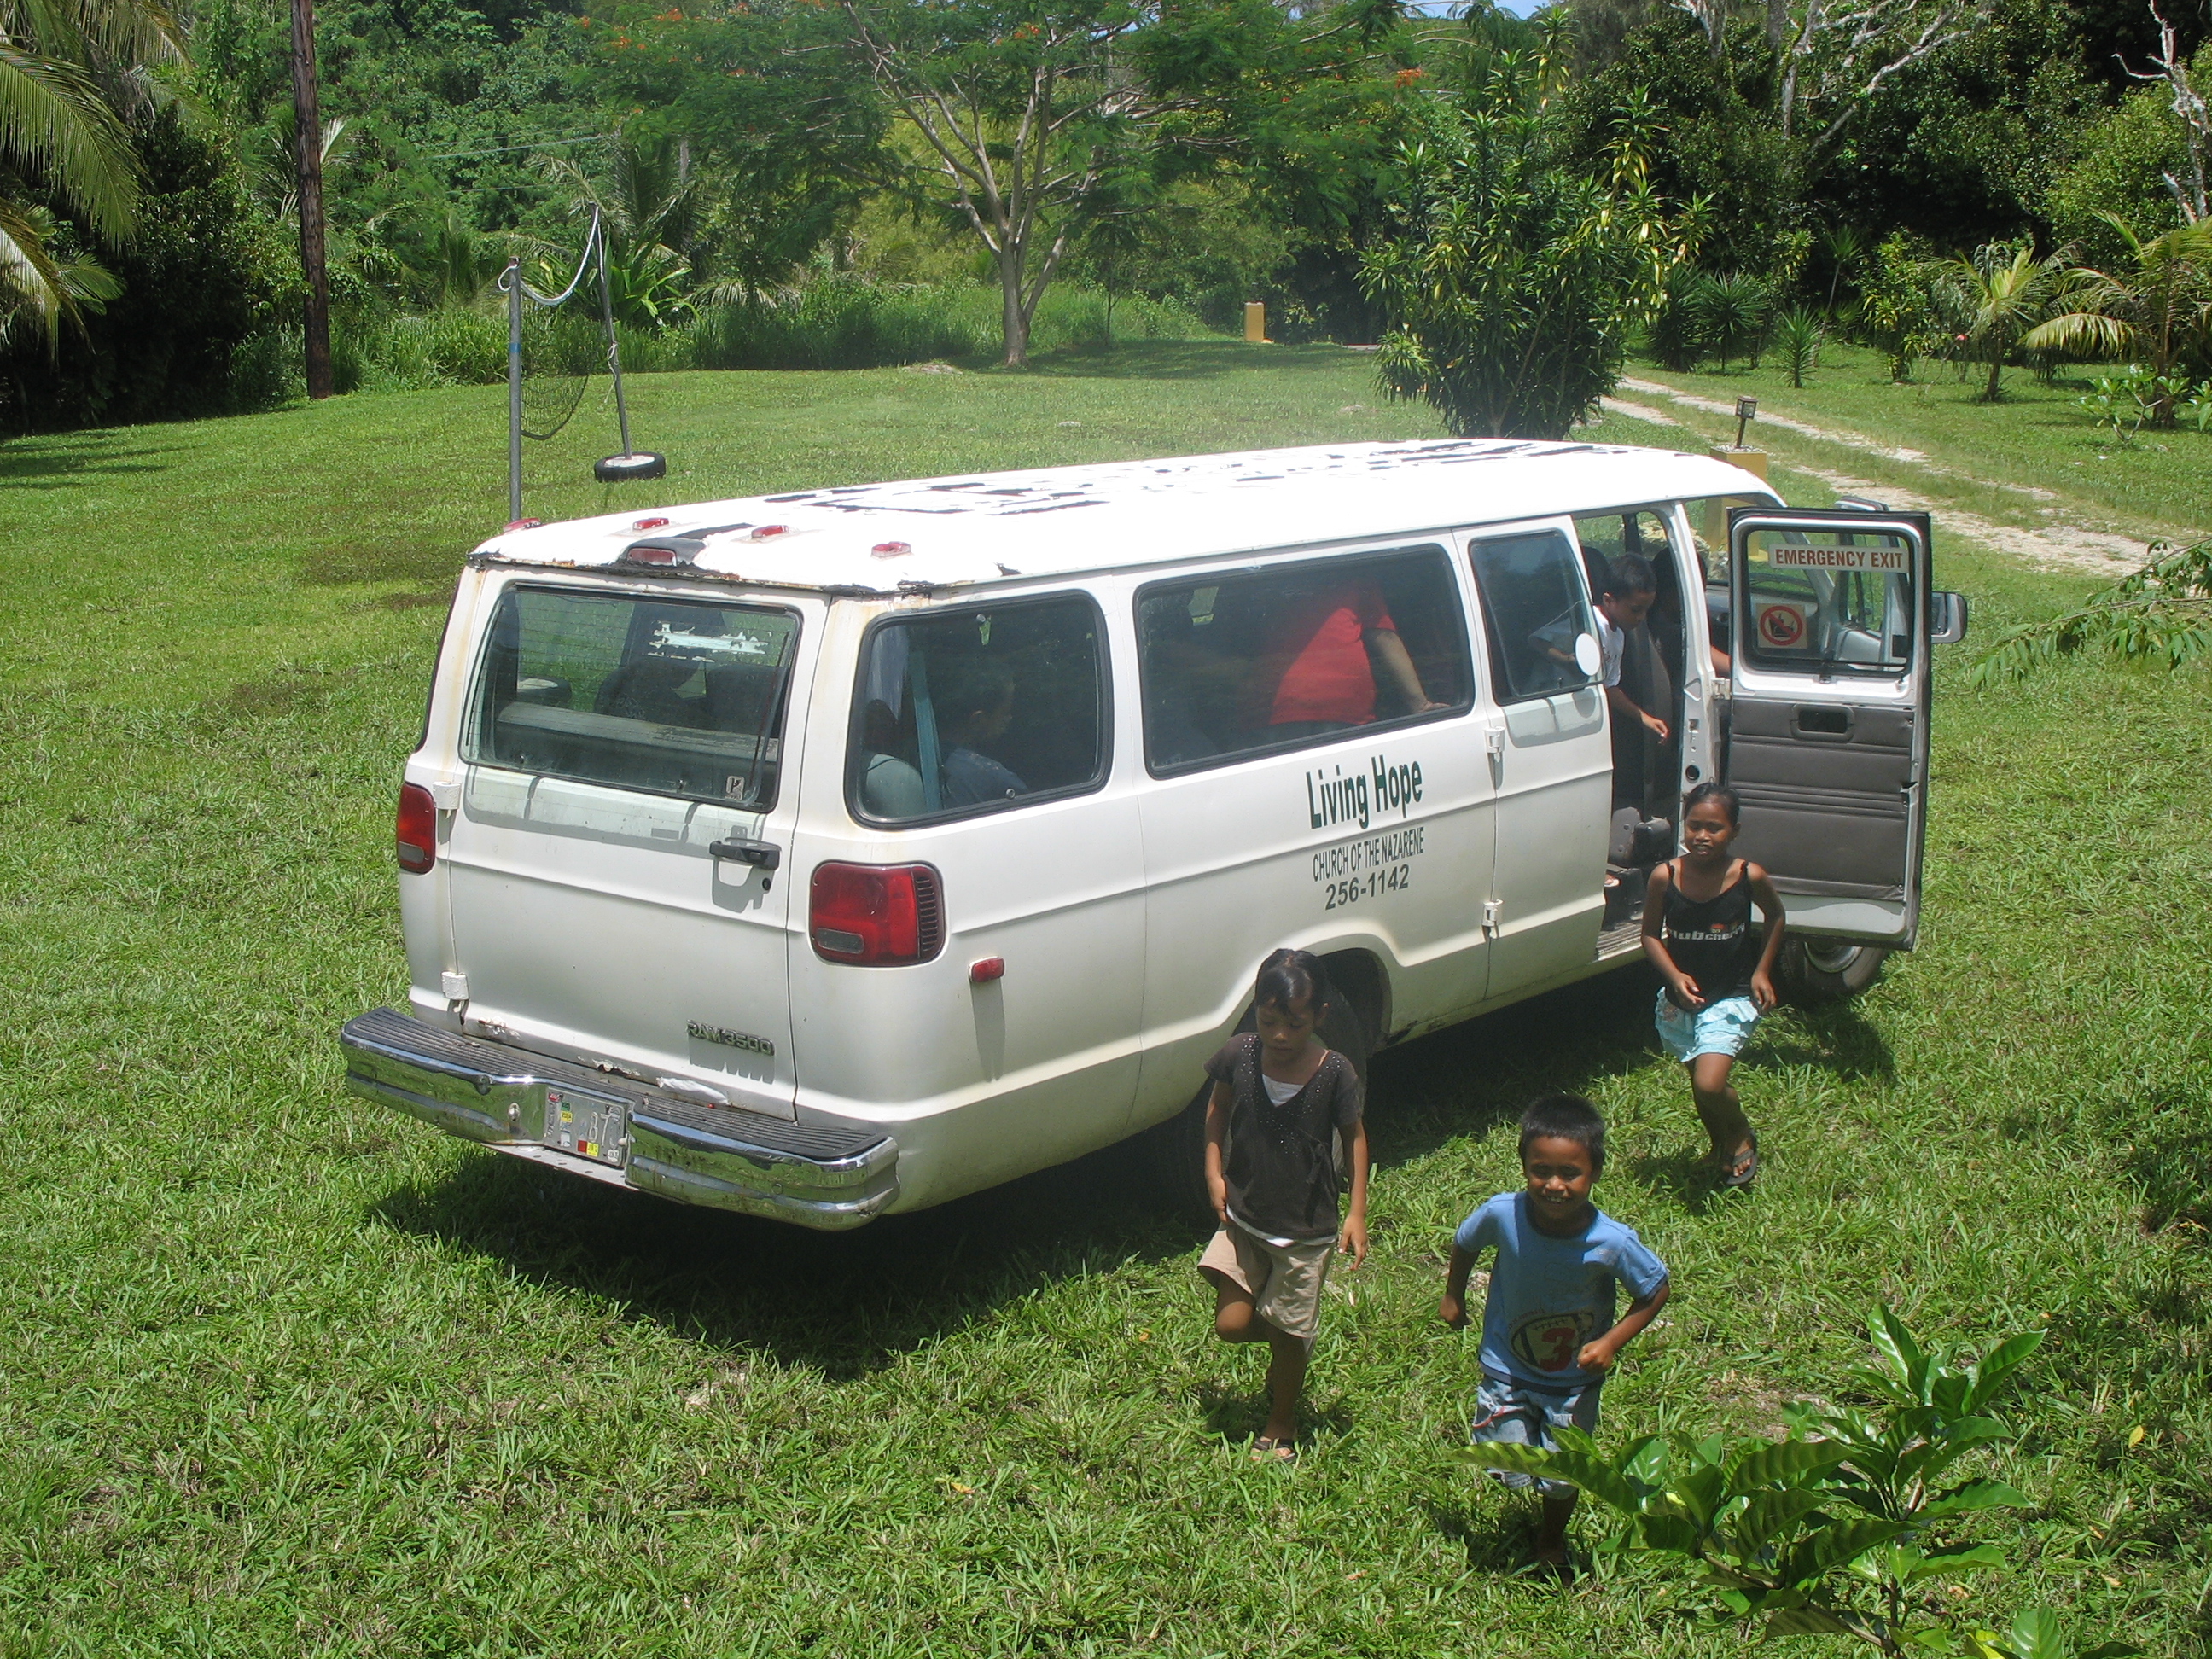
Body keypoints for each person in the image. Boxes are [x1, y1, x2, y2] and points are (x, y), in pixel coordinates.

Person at [1440, 1094, 1670, 1576]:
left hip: (1572, 1379)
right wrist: (1454, 1295)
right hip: (1506, 1364)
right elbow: (1465, 1242)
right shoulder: (1503, 1214)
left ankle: (1551, 1539)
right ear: (1524, 1165)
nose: (1554, 1185)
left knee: (1564, 1474)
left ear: (1595, 1172)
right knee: (1509, 1464)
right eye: (1540, 1170)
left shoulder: (1611, 1241)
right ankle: (1526, 1478)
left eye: (1570, 1173)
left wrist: (1611, 1342)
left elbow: (1654, 1290)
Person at [1200, 949, 1370, 1463]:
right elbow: (1217, 1109)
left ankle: (1281, 1422)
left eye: (1294, 1024)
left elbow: (1355, 1138)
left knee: (1288, 1330)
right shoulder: (1239, 1054)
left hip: (1304, 1229)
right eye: (1268, 1021)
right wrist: (1213, 1171)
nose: (1279, 1035)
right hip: (1244, 1218)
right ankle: (1288, 1344)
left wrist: (1357, 1210)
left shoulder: (1334, 1072)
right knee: (1232, 1325)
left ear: (1320, 1015)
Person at [1642, 781, 1786, 1187]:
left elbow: (1776, 916)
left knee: (1710, 1083)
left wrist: (1761, 971)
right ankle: (1719, 1144)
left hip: (1730, 995)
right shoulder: (1665, 876)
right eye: (1694, 826)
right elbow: (1649, 935)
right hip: (1683, 1001)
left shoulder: (1748, 876)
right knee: (1700, 1085)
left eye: (1714, 828)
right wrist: (1674, 976)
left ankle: (1739, 1131)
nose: (1702, 836)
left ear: (1734, 831)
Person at [1237, 574, 1445, 742]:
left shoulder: (1270, 580)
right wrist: (1419, 705)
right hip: (1342, 702)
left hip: (1275, 704)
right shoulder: (1354, 576)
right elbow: (1384, 638)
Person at [1596, 555, 1670, 748]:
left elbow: (1609, 687)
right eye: (1636, 610)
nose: (1641, 617)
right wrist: (1567, 660)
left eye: (1646, 610)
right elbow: (1538, 641)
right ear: (1608, 600)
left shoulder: (1618, 635)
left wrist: (1643, 717)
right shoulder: (1589, 625)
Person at [934, 660, 1029, 808]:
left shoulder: (919, 755)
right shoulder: (996, 779)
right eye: (1005, 712)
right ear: (977, 720)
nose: (1010, 718)